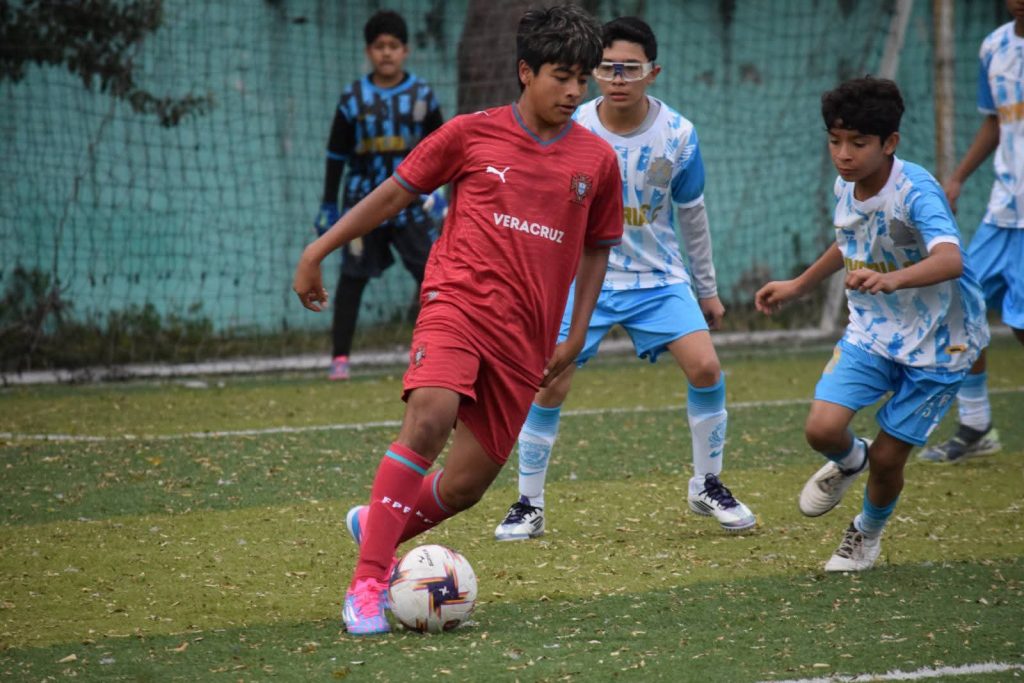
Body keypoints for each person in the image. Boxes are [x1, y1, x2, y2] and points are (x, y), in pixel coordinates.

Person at [293, 4, 622, 634]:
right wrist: (319, 250)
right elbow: (396, 191)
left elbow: (597, 247)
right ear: (526, 72)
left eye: (583, 78)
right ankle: (367, 584)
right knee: (430, 417)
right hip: (458, 304)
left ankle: (378, 522)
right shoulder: (470, 134)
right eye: (561, 76)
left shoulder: (596, 161)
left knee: (467, 484)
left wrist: (577, 332)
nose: (575, 91)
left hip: (527, 337)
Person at [492, 16, 755, 543]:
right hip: (582, 279)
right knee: (549, 379)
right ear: (594, 71)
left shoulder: (679, 135)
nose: (618, 78)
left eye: (630, 68)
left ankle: (707, 483)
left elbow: (692, 215)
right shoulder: (572, 126)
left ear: (652, 72)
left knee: (706, 367)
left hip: (658, 279)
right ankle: (528, 503)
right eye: (608, 67)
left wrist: (706, 289)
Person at [754, 77, 989, 571]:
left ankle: (866, 532)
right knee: (822, 429)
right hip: (873, 332)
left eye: (858, 143)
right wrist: (799, 284)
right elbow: (850, 241)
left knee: (888, 459)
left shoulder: (916, 192)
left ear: (889, 143)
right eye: (835, 141)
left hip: (941, 343)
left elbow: (951, 260)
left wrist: (893, 279)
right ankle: (849, 459)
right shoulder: (846, 184)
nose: (844, 154)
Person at [918, 1, 1024, 463]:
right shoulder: (994, 47)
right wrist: (958, 177)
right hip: (1004, 210)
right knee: (960, 302)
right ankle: (976, 424)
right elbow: (996, 122)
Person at [313, 10, 444, 381]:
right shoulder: (352, 99)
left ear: (406, 50)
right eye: (379, 46)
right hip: (363, 204)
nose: (387, 53)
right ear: (368, 51)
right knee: (352, 278)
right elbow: (336, 154)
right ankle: (340, 358)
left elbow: (442, 148)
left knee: (433, 276)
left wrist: (440, 193)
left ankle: (432, 352)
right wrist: (329, 202)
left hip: (412, 205)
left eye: (394, 46)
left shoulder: (422, 96)